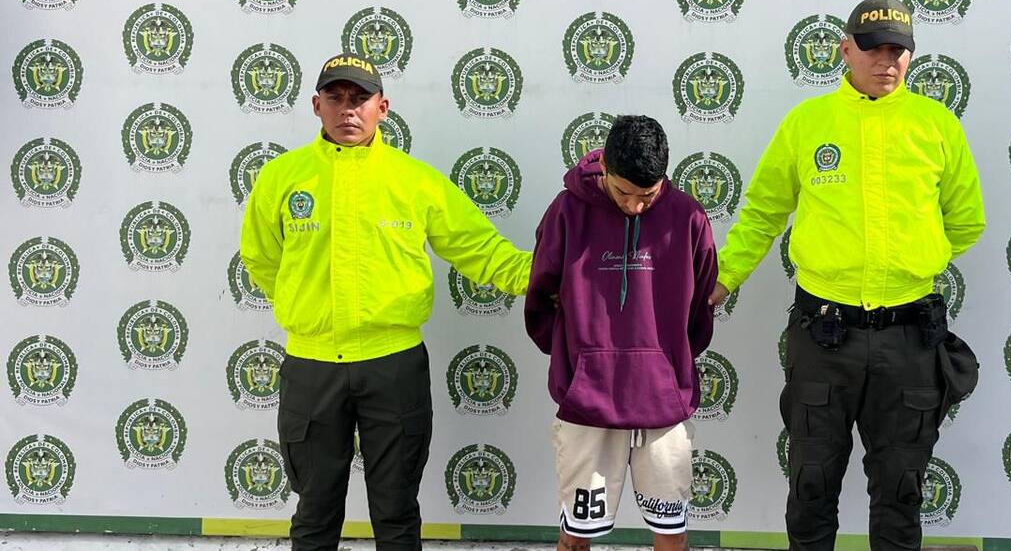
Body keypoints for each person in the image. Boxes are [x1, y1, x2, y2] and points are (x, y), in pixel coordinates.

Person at [710, 0, 985, 551]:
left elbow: (965, 220)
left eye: (897, 50)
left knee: (901, 490)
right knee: (811, 484)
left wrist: (911, 260)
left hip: (910, 339)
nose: (886, 61)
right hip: (824, 336)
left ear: (911, 56)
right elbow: (764, 211)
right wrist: (724, 277)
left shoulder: (937, 126)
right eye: (873, 48)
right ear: (845, 50)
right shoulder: (807, 123)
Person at [240, 54, 531, 551]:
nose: (347, 110)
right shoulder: (280, 178)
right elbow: (261, 259)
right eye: (335, 98)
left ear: (383, 108)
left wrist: (558, 276)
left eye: (360, 99)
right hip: (312, 367)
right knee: (314, 511)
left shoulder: (416, 181)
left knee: (396, 511)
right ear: (316, 105)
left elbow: (482, 251)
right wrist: (304, 305)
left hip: (393, 366)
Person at [525, 115, 718, 551]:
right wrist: (576, 361)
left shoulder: (687, 216)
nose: (635, 206)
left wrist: (669, 362)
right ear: (604, 169)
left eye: (647, 196)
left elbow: (700, 305)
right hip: (588, 402)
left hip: (663, 402)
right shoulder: (568, 211)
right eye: (623, 192)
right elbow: (541, 293)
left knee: (671, 534)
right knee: (576, 533)